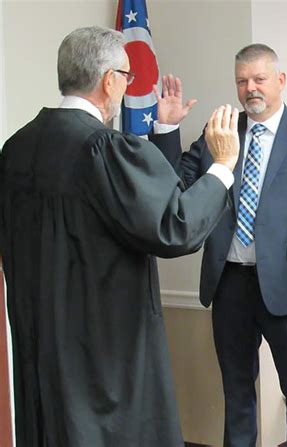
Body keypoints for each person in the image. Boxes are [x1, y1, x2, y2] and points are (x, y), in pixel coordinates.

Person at [0, 26, 240, 447]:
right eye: (128, 78)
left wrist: (163, 132)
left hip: (40, 347)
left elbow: (124, 205)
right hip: (103, 356)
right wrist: (221, 166)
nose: (128, 88)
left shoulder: (16, 148)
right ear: (109, 80)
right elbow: (175, 226)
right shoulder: (101, 147)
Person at [150, 44, 287, 447]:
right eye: (242, 81)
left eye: (258, 79)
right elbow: (174, 188)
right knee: (237, 392)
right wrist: (167, 129)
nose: (250, 88)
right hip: (230, 284)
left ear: (280, 80)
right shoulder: (219, 132)